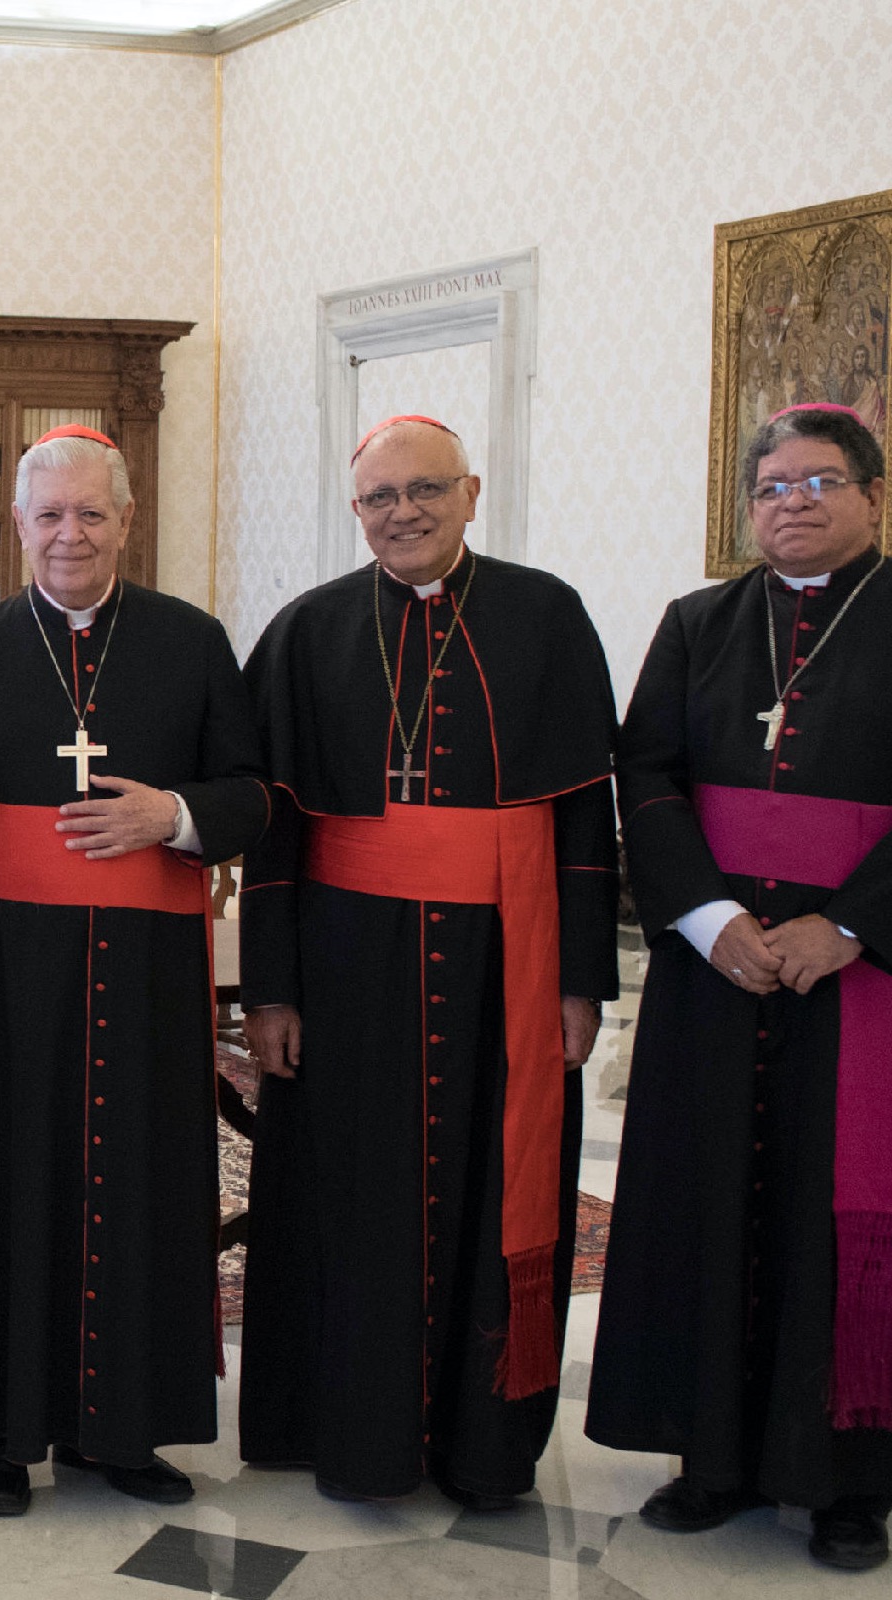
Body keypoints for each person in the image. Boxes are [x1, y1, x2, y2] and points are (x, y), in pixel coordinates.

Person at [236, 415, 620, 1511]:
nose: (402, 512)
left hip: (507, 959)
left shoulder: (544, 615)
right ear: (354, 509)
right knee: (347, 1198)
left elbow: (582, 817)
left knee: (491, 1193)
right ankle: (346, 1434)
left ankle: (482, 1446)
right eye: (379, 497)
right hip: (345, 967)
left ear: (470, 493)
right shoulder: (309, 630)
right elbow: (273, 828)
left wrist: (579, 979)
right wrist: (270, 990)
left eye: (425, 490)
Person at [0, 426, 269, 1515]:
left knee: (143, 1189)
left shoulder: (191, 642)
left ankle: (124, 1433)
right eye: (50, 515)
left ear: (126, 521)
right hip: (1, 980)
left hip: (148, 981)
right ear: (18, 524)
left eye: (91, 514)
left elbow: (254, 794)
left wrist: (175, 813)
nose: (70, 534)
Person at [587, 401, 892, 1573]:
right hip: (715, 965)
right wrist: (709, 917)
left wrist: (850, 925)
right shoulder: (698, 621)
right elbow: (645, 774)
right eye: (771, 486)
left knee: (844, 1214)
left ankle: (852, 1481)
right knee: (703, 1195)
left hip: (859, 978)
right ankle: (706, 1455)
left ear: (872, 497)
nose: (792, 503)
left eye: (818, 482)